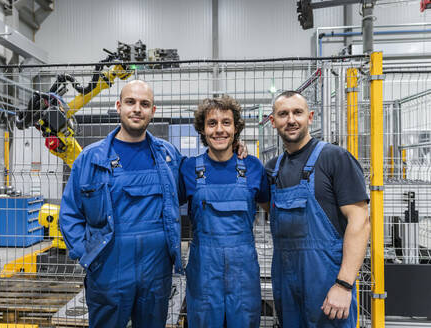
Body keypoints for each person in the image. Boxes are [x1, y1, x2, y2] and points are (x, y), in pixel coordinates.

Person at [59, 80, 183, 328]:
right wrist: (88, 255)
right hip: (109, 268)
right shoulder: (90, 159)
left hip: (156, 270)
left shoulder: (168, 156)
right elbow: (70, 214)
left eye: (144, 104)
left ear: (153, 111)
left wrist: (235, 148)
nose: (137, 109)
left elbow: (194, 182)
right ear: (118, 106)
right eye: (131, 102)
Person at [266, 90, 370, 327]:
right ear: (273, 121)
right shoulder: (272, 169)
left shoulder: (335, 158)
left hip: (327, 283)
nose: (291, 119)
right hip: (286, 283)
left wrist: (344, 284)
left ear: (310, 117)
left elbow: (360, 221)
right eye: (283, 114)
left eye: (297, 112)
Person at [179, 95, 270, 328]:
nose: (219, 130)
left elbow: (270, 209)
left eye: (226, 123)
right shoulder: (189, 169)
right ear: (202, 129)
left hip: (243, 272)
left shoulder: (252, 167)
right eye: (212, 123)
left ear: (236, 128)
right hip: (204, 272)